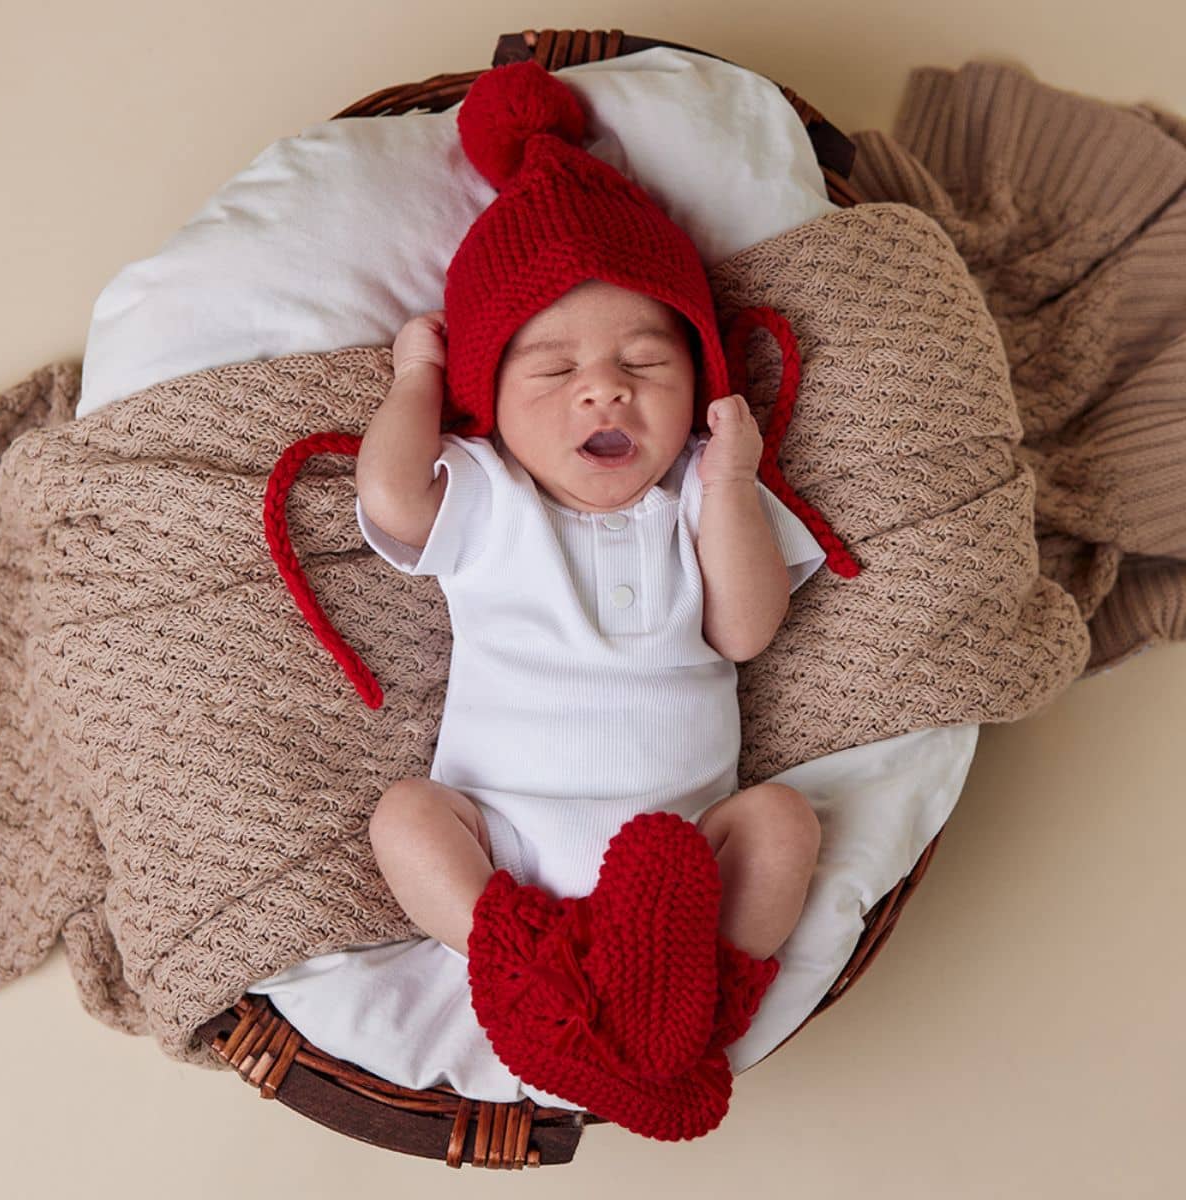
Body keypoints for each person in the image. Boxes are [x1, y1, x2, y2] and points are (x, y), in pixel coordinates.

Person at [352, 60, 828, 1142]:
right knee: (407, 818)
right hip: (508, 845)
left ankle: (694, 1007)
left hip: (682, 871)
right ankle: (525, 976)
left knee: (784, 823)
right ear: (491, 408)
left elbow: (746, 628)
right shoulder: (486, 499)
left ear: (699, 389)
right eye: (553, 368)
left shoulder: (693, 507)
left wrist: (732, 481)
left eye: (644, 363)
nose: (602, 388)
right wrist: (416, 380)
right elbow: (388, 488)